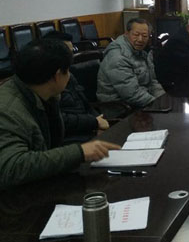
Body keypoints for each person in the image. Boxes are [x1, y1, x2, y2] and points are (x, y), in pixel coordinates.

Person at [0, 39, 120, 190]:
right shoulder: (8, 111)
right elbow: (10, 168)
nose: (69, 76)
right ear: (57, 75)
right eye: (68, 71)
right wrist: (79, 152)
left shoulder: (44, 94)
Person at [43, 31, 109, 142]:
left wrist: (98, 120)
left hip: (87, 128)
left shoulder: (69, 74)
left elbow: (86, 105)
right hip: (70, 137)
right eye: (67, 53)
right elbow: (58, 119)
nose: (71, 57)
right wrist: (93, 122)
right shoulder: (45, 81)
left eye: (71, 52)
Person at [97, 18, 164, 107]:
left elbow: (152, 82)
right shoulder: (118, 57)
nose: (140, 39)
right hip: (121, 108)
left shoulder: (143, 52)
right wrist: (157, 105)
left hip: (142, 102)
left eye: (145, 36)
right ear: (126, 34)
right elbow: (132, 94)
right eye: (136, 35)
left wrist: (163, 99)